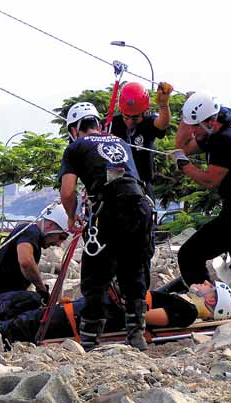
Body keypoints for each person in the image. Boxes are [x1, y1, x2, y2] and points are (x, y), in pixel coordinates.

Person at [169, 91, 231, 338]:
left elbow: (208, 180)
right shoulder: (216, 132)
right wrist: (186, 113)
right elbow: (181, 145)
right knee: (198, 257)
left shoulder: (225, 141)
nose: (194, 134)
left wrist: (184, 165)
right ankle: (218, 307)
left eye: (196, 128)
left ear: (210, 122)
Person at [59, 102, 153, 351]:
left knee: (96, 275)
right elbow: (123, 176)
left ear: (75, 128)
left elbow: (67, 192)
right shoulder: (120, 142)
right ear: (97, 124)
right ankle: (136, 335)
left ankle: (90, 340)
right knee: (133, 271)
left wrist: (71, 216)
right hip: (141, 208)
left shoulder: (75, 147)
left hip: (109, 210)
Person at [0, 280, 231, 345]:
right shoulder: (181, 304)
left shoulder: (182, 311)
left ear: (211, 303)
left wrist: (118, 297)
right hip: (85, 310)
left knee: (16, 328)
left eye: (209, 291)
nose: (203, 288)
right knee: (17, 321)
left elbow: (138, 318)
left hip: (83, 319)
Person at [0, 205, 70, 325]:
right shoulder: (30, 231)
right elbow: (26, 262)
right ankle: (4, 328)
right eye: (61, 237)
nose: (59, 244)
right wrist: (41, 289)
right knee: (35, 300)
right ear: (50, 225)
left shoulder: (30, 234)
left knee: (36, 305)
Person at [109, 81, 173, 200]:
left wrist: (163, 104)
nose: (129, 122)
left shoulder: (148, 122)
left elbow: (162, 124)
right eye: (126, 117)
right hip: (115, 185)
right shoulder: (111, 124)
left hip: (142, 185)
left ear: (144, 112)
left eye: (135, 118)